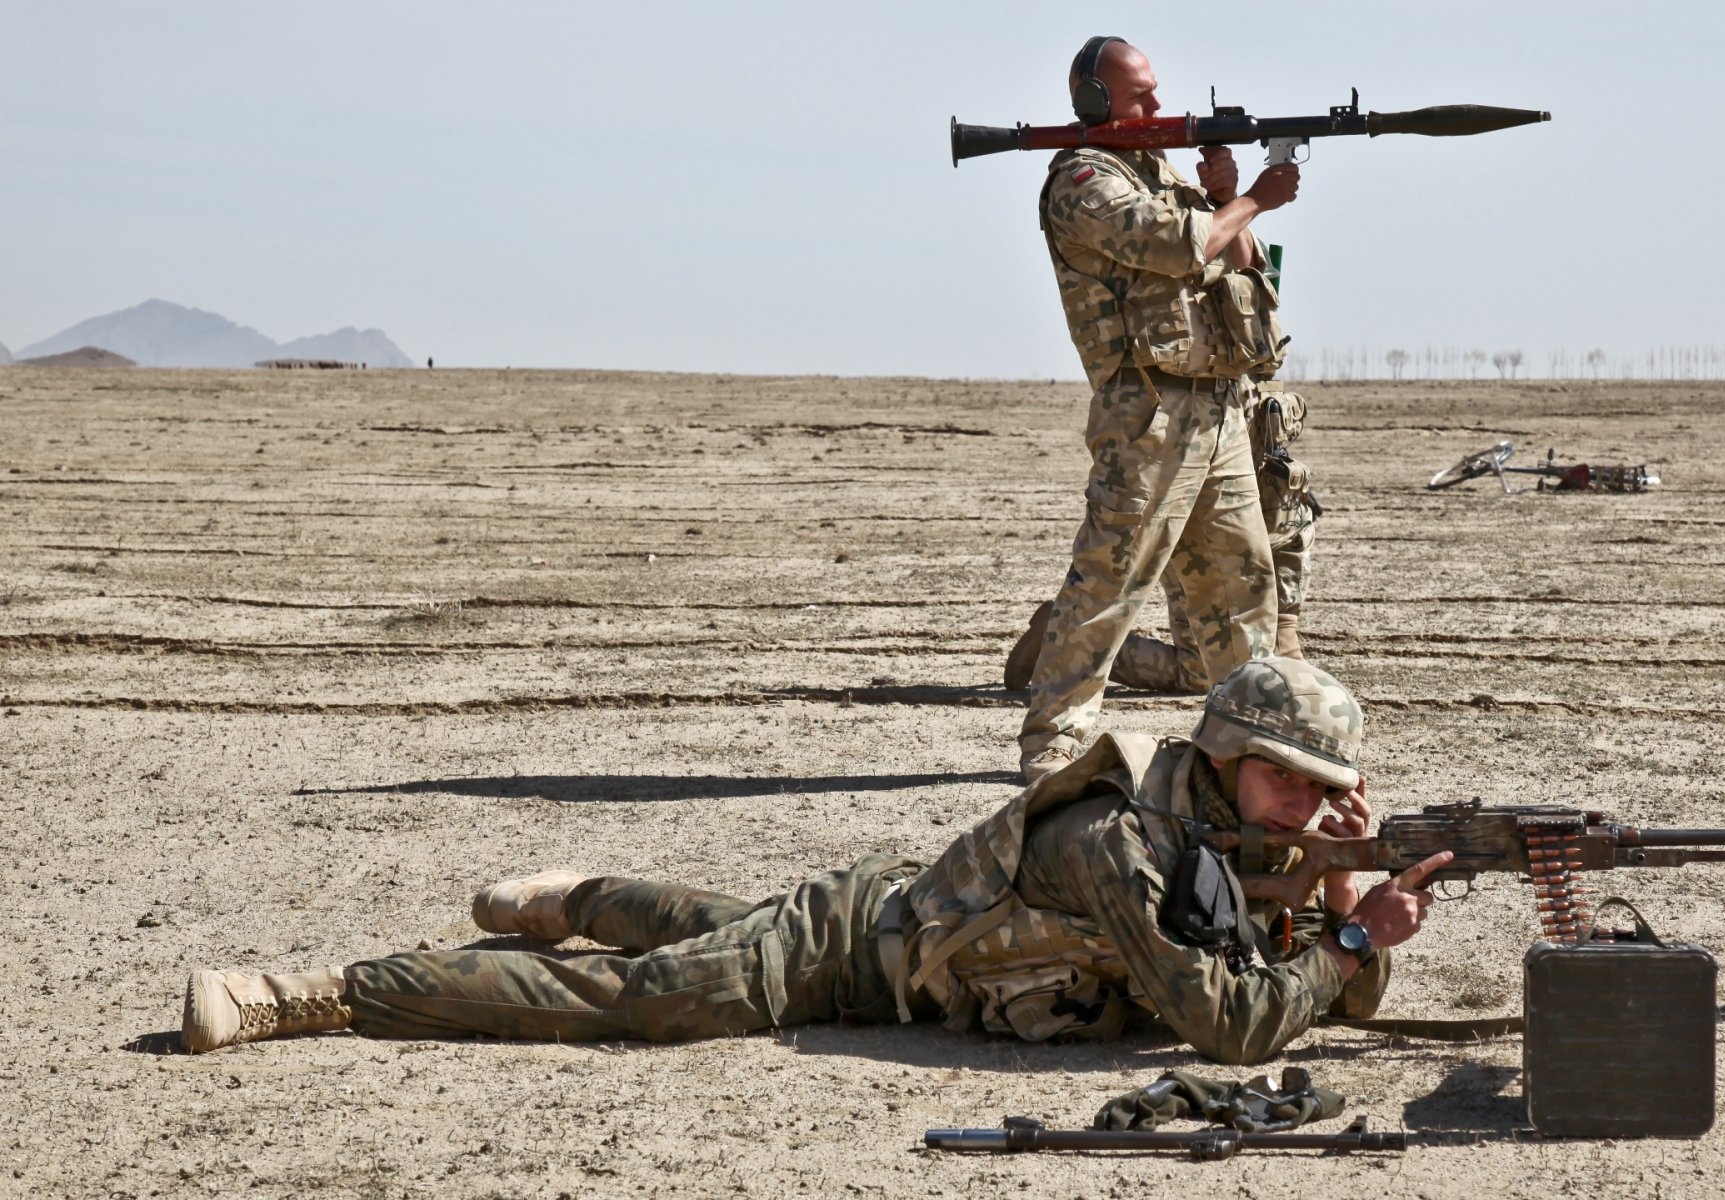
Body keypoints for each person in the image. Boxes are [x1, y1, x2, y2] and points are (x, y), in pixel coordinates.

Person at [180, 659, 1450, 1066]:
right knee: (647, 1000)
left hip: (902, 949)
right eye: (1292, 780)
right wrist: (1349, 938)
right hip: (858, 950)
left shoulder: (1237, 838)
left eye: (1325, 790)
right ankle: (317, 994)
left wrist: (1342, 882)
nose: (1306, 804)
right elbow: (1231, 1028)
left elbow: (1330, 993)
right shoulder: (1123, 839)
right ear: (1226, 755)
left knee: (706, 927)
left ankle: (578, 896)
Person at [1016, 36, 1301, 783]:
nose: (1156, 105)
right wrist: (1251, 199)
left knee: (1243, 584)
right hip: (1147, 414)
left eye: (1154, 91)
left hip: (1218, 407)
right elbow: (1173, 246)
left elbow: (1238, 264)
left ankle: (1251, 737)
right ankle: (1055, 742)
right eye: (1139, 95)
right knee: (1112, 583)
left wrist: (1228, 198)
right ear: (1094, 101)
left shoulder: (1158, 172)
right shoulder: (1084, 179)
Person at [1007, 383, 1321, 694]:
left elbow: (1292, 528)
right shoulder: (1209, 397)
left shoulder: (1262, 416)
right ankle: (1065, 640)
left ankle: (1066, 639)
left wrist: (1286, 631)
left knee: (1237, 667)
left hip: (1245, 517)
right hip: (1191, 516)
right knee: (1205, 671)